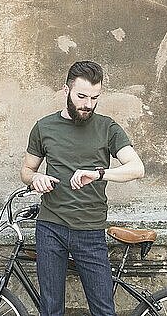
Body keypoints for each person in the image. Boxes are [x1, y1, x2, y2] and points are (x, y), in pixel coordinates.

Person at [20, 61, 145, 316]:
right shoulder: (44, 127)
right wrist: (35, 180)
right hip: (50, 228)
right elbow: (26, 170)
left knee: (103, 310)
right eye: (81, 96)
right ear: (65, 90)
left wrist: (99, 173)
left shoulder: (107, 128)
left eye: (94, 98)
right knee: (51, 309)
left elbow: (136, 168)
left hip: (89, 231)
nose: (87, 104)